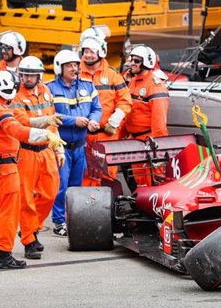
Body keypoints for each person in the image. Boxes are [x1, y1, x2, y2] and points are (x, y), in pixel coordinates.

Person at [0, 70, 65, 269]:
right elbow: (18, 131)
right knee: (9, 210)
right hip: (6, 167)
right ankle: (4, 253)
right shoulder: (1, 110)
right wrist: (45, 135)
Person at [11, 56, 64, 259]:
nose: (29, 78)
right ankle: (29, 240)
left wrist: (58, 148)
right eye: (25, 74)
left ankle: (31, 228)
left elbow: (53, 122)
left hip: (46, 150)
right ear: (20, 74)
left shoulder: (46, 91)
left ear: (39, 75)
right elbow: (22, 122)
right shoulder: (15, 95)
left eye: (32, 74)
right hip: (26, 151)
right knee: (26, 199)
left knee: (50, 193)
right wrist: (45, 120)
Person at [47, 50, 102, 237]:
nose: (74, 68)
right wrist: (74, 121)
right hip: (61, 147)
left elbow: (96, 108)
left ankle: (72, 219)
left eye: (75, 65)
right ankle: (59, 221)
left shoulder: (88, 86)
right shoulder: (50, 89)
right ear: (59, 68)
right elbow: (50, 116)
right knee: (61, 185)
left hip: (80, 146)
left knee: (76, 186)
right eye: (69, 65)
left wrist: (94, 120)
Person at [79, 36, 132, 185]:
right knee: (84, 177)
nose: (88, 55)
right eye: (86, 51)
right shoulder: (75, 73)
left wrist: (114, 121)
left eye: (92, 51)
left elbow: (125, 101)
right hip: (82, 136)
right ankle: (85, 208)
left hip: (106, 136)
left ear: (101, 52)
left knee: (107, 177)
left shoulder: (112, 76)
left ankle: (107, 207)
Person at [119, 45, 170, 188]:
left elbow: (159, 123)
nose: (131, 63)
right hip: (134, 140)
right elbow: (129, 111)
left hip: (148, 142)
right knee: (137, 181)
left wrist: (157, 150)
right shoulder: (134, 81)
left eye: (136, 60)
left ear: (147, 62)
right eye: (131, 60)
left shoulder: (155, 86)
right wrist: (119, 137)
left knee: (151, 182)